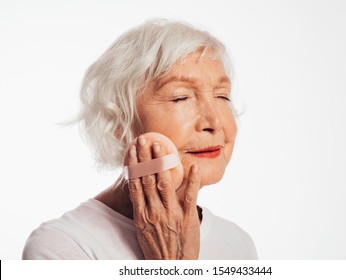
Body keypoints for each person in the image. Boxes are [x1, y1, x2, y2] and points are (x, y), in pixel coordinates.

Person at [22, 19, 258, 260]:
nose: (214, 122)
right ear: (118, 122)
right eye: (181, 98)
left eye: (222, 96)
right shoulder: (63, 245)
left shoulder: (239, 244)